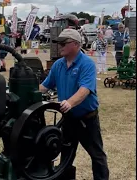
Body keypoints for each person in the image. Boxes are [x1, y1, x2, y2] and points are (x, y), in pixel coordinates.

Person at [39, 29, 109, 180]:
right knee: (66, 156)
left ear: (76, 44)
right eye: (59, 43)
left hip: (86, 119)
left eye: (64, 43)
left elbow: (85, 90)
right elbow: (44, 87)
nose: (60, 46)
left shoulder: (87, 64)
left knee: (97, 155)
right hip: (68, 119)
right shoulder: (58, 65)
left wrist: (70, 103)